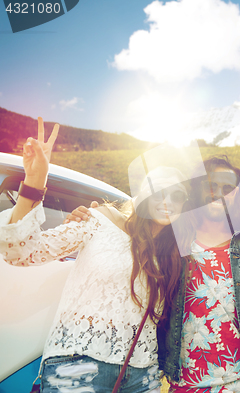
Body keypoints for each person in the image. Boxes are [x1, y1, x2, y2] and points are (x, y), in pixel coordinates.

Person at [0, 118, 193, 392]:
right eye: (160, 191)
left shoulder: (174, 252)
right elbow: (20, 252)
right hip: (77, 366)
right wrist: (34, 181)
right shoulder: (98, 220)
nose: (168, 201)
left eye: (177, 196)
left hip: (143, 376)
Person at [67, 155, 240, 392]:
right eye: (211, 185)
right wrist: (99, 215)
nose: (219, 192)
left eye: (228, 187)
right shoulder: (173, 238)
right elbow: (133, 223)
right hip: (187, 383)